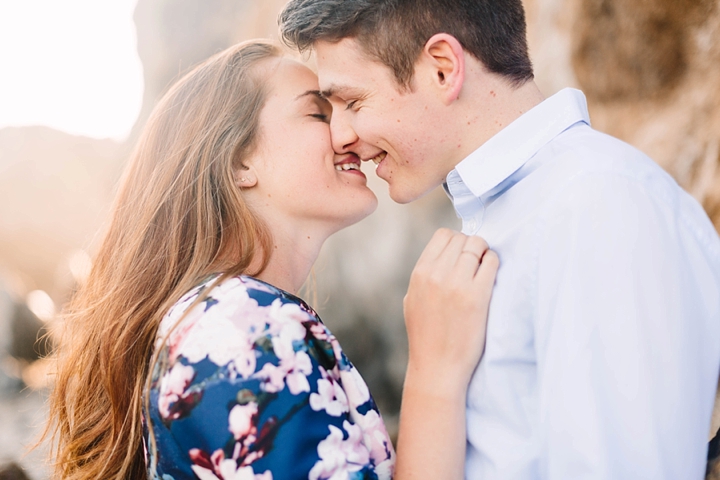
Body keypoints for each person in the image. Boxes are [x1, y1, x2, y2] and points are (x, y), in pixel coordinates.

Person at [278, 0, 720, 478]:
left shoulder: (601, 205)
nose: (339, 136)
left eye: (352, 102)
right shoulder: (532, 212)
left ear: (443, 70)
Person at [43, 40, 499, 480]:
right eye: (318, 113)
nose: (348, 133)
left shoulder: (221, 318)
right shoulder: (240, 328)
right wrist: (434, 374)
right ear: (239, 160)